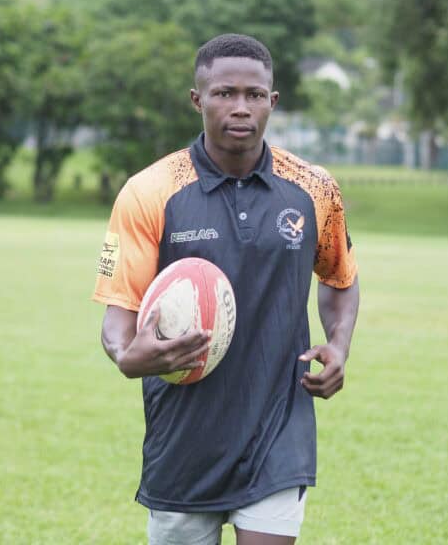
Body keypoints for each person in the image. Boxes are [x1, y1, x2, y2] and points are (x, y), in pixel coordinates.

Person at [93, 33, 359, 545]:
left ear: (272, 102)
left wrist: (340, 344)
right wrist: (129, 357)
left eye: (254, 95)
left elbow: (340, 279)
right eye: (224, 93)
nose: (240, 107)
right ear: (198, 99)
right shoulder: (150, 191)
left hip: (279, 428)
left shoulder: (314, 188)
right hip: (184, 438)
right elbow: (117, 322)